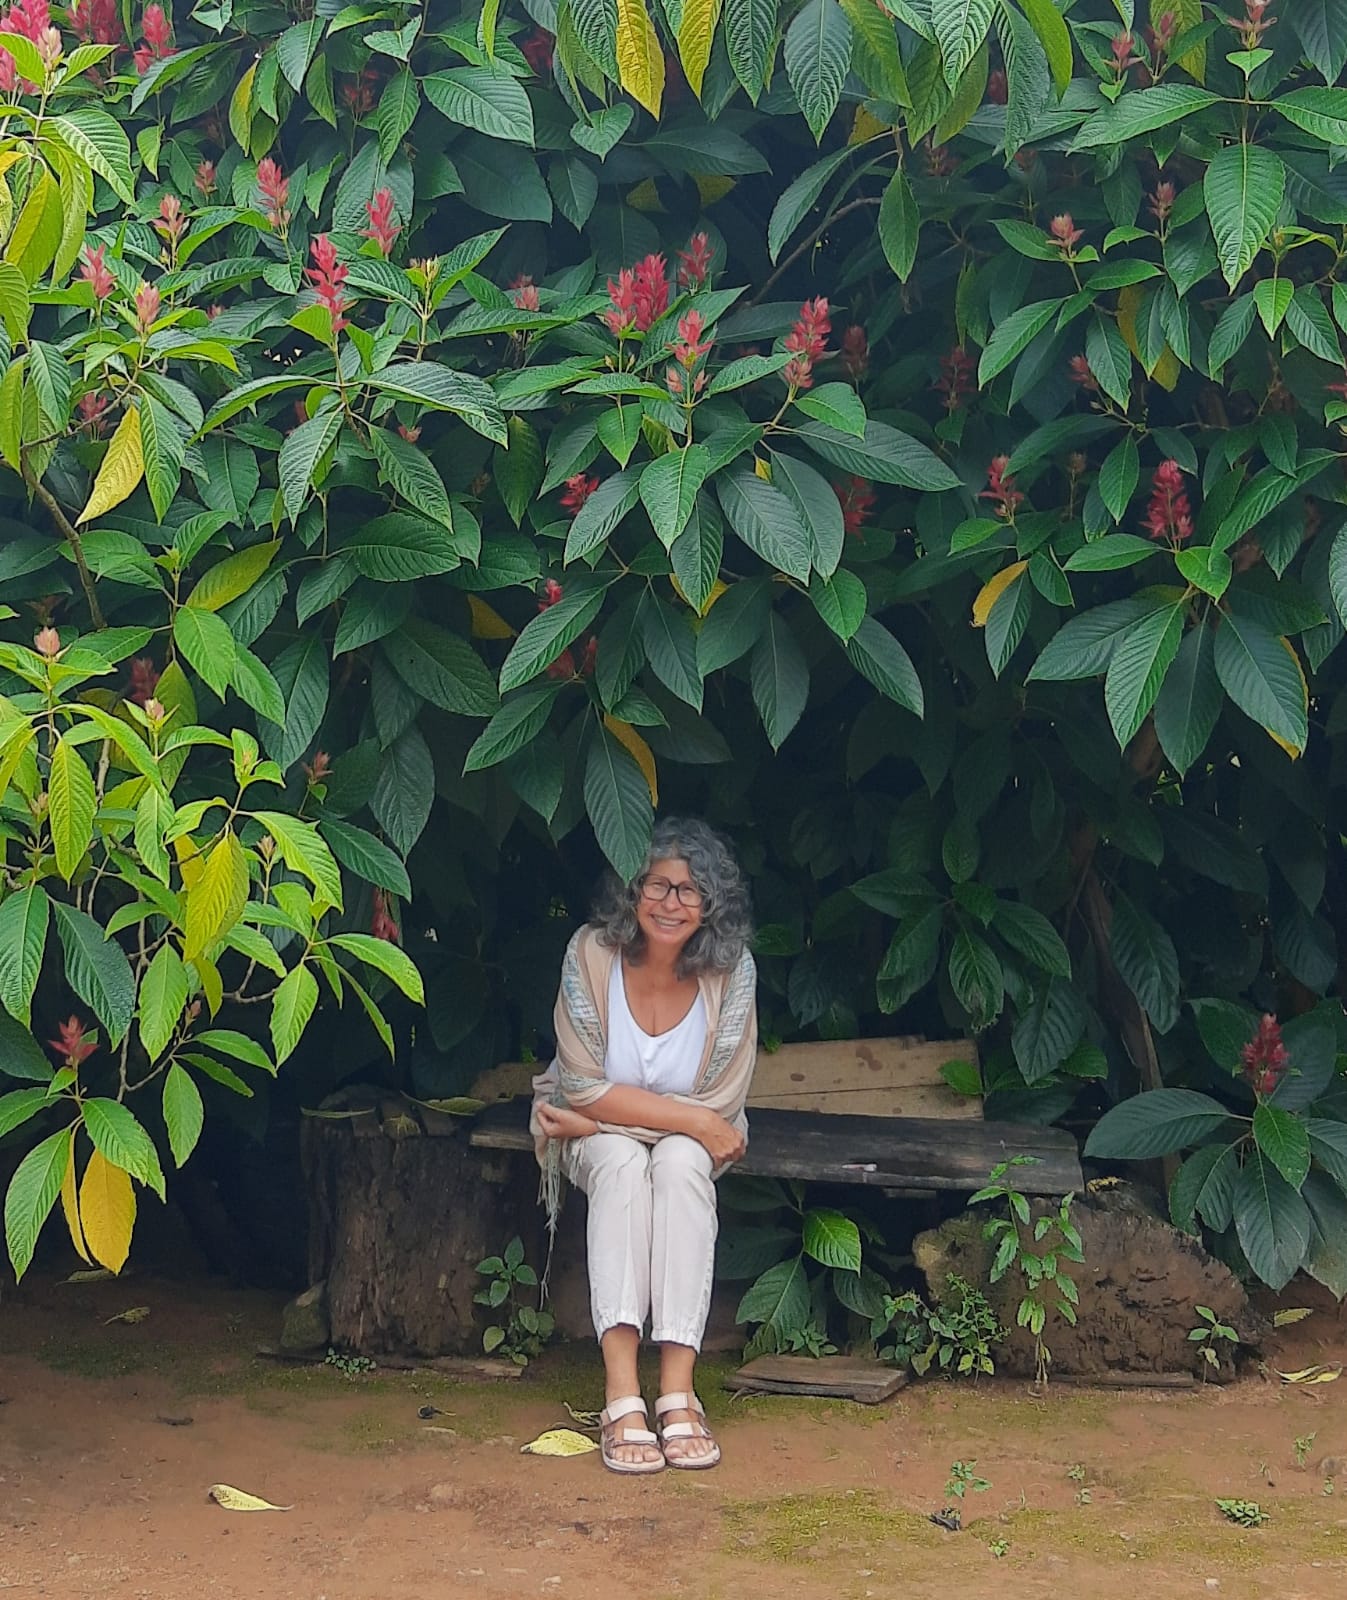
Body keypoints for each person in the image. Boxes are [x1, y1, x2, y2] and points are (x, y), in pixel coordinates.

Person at [530, 818, 758, 1475]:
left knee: (683, 1163)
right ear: (631, 892)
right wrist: (600, 1125)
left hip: (614, 1130)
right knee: (628, 1163)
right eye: (656, 884)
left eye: (689, 891)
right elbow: (576, 1084)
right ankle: (621, 1391)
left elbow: (719, 1110)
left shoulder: (732, 972)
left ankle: (678, 1391)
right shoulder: (590, 953)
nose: (670, 902)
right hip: (592, 1141)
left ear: (712, 904)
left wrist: (601, 1117)